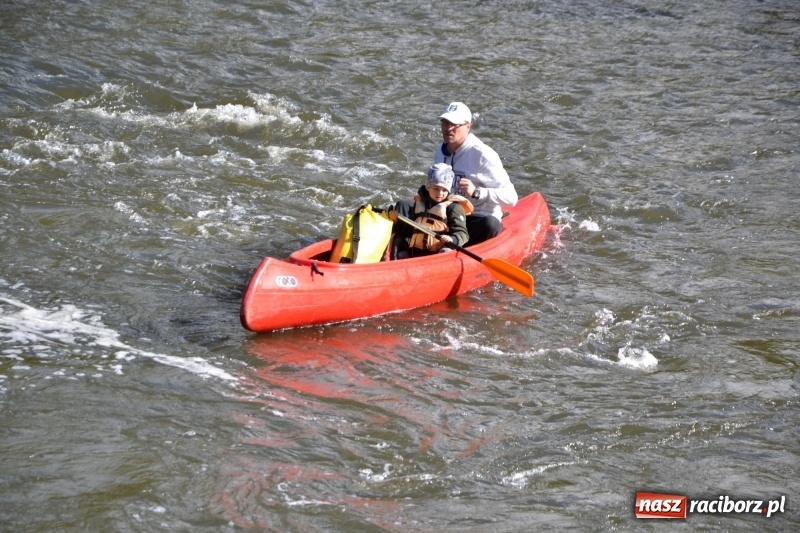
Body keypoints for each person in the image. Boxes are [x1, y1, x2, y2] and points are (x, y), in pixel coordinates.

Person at [435, 102, 518, 245]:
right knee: (404, 206)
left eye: (455, 124)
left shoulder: (483, 155)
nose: (448, 128)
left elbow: (511, 198)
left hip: (477, 218)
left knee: (489, 225)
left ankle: (450, 245)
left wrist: (477, 192)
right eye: (445, 123)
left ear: (468, 126)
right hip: (450, 216)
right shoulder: (439, 152)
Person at [389, 163, 470, 258]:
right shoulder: (420, 202)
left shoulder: (453, 208)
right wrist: (396, 219)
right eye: (436, 188)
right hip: (415, 250)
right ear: (428, 187)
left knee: (446, 251)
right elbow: (407, 230)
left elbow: (462, 234)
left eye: (444, 190)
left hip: (438, 253)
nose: (440, 193)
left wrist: (452, 239)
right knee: (400, 254)